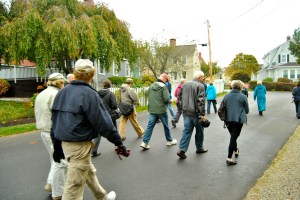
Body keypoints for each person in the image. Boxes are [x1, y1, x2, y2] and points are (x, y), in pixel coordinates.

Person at [51, 59, 129, 200]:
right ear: (91, 75)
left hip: (66, 143)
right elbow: (104, 123)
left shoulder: (62, 92)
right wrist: (118, 142)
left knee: (88, 173)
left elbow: (55, 122)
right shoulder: (89, 94)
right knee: (73, 188)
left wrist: (57, 147)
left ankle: (102, 197)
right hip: (79, 145)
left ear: (75, 73)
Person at [34, 72, 68, 200]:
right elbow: (59, 115)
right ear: (59, 82)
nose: (64, 84)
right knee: (60, 161)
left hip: (44, 131)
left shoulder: (42, 94)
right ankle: (57, 193)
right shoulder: (56, 94)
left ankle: (50, 183)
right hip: (53, 132)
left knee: (54, 159)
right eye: (63, 82)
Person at [140, 73, 177, 149]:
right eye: (167, 80)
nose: (166, 82)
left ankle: (144, 142)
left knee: (150, 126)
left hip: (152, 110)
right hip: (161, 110)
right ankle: (169, 140)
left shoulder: (151, 86)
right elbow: (166, 99)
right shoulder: (163, 87)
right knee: (166, 125)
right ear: (164, 79)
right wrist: (170, 101)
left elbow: (149, 96)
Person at [176, 71, 208, 159]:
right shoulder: (200, 85)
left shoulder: (185, 84)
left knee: (187, 131)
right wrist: (202, 115)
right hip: (196, 113)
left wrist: (182, 108)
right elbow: (201, 101)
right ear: (200, 77)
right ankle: (199, 148)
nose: (203, 79)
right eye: (203, 77)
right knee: (199, 131)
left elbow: (179, 98)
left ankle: (181, 150)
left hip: (186, 112)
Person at [221, 80, 249, 165]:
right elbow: (247, 110)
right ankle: (229, 158)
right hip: (238, 120)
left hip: (228, 120)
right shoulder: (243, 96)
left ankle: (236, 150)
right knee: (234, 137)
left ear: (232, 87)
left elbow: (221, 107)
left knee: (233, 136)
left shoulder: (226, 96)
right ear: (241, 87)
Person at [91, 79, 118, 157]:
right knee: (114, 131)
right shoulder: (111, 94)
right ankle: (117, 146)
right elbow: (114, 105)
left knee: (97, 134)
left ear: (103, 85)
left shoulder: (96, 93)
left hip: (99, 115)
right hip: (109, 115)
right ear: (110, 85)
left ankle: (93, 151)